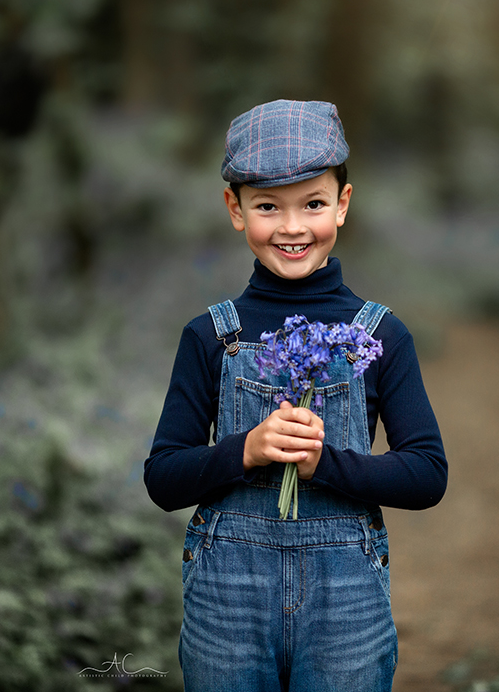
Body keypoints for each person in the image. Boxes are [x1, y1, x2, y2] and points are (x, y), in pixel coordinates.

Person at [145, 99, 447, 692]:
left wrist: (323, 463)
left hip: (346, 597)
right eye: (266, 207)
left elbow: (427, 475)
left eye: (313, 203)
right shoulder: (210, 335)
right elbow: (163, 478)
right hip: (227, 596)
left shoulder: (379, 334)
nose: (291, 227)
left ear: (343, 204)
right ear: (235, 210)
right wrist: (246, 451)